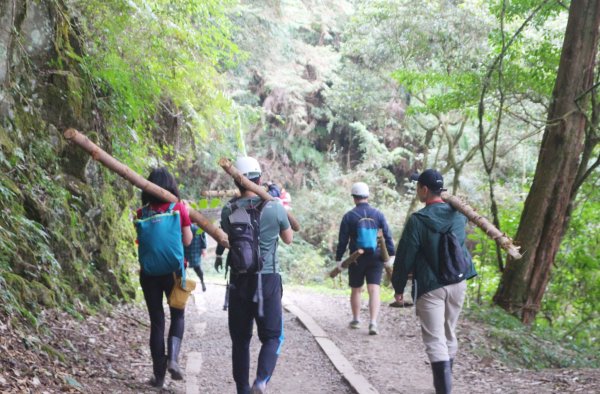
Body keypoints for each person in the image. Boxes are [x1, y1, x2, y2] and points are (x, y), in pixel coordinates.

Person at [391, 169, 477, 394]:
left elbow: (404, 256)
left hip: (431, 286)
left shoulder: (418, 220)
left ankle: (443, 391)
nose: (417, 190)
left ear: (425, 190)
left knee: (435, 339)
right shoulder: (459, 214)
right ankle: (444, 387)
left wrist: (398, 287)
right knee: (449, 332)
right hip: (459, 281)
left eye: (418, 186)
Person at [220, 156, 293, 394]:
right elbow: (289, 239)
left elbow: (228, 238)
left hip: (239, 279)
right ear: (259, 180)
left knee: (240, 340)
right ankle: (260, 382)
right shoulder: (274, 207)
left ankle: (242, 389)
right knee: (272, 337)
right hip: (268, 279)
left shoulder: (228, 210)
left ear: (237, 182)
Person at [136, 168, 193, 388]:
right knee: (177, 316)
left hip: (149, 274)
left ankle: (158, 377)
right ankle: (174, 360)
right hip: (174, 272)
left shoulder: (142, 213)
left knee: (157, 322)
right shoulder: (178, 209)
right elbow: (187, 241)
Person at [335, 182, 395, 335]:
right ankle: (373, 322)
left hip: (356, 256)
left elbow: (343, 240)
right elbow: (387, 236)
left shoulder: (349, 216)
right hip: (376, 256)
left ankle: (356, 319)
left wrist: (339, 258)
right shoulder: (378, 214)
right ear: (367, 196)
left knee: (356, 289)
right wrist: (391, 255)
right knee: (374, 289)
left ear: (354, 197)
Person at [185, 224, 207, 291]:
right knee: (197, 268)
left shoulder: (184, 226)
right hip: (195, 249)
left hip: (187, 249)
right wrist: (203, 248)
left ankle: (182, 284)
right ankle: (202, 281)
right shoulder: (198, 228)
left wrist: (203, 248)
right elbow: (202, 237)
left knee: (183, 268)